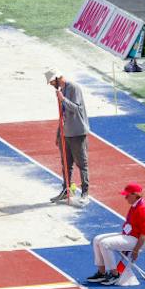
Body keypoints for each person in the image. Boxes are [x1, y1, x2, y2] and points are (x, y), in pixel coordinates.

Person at [86, 182, 145, 286]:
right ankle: (102, 272)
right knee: (97, 239)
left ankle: (114, 274)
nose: (125, 198)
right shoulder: (135, 205)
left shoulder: (143, 209)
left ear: (135, 195)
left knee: (105, 243)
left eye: (127, 195)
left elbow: (144, 234)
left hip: (139, 240)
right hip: (130, 235)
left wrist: (135, 250)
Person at [44, 70, 92, 205]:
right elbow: (63, 115)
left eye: (52, 82)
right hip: (66, 134)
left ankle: (85, 192)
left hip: (77, 133)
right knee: (66, 164)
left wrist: (63, 99)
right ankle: (67, 189)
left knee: (82, 164)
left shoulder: (73, 88)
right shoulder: (61, 89)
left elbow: (76, 108)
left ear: (58, 78)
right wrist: (59, 133)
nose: (51, 85)